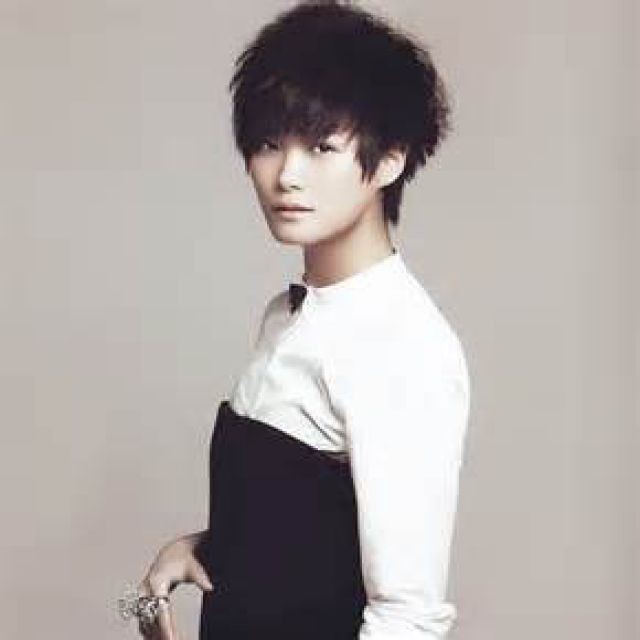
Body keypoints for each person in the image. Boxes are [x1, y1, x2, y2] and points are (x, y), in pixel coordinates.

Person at [125, 1, 470, 638]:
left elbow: (406, 617)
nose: (286, 175)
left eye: (320, 146)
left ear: (390, 158)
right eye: (267, 144)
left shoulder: (403, 346)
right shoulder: (287, 315)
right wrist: (197, 550)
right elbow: (302, 529)